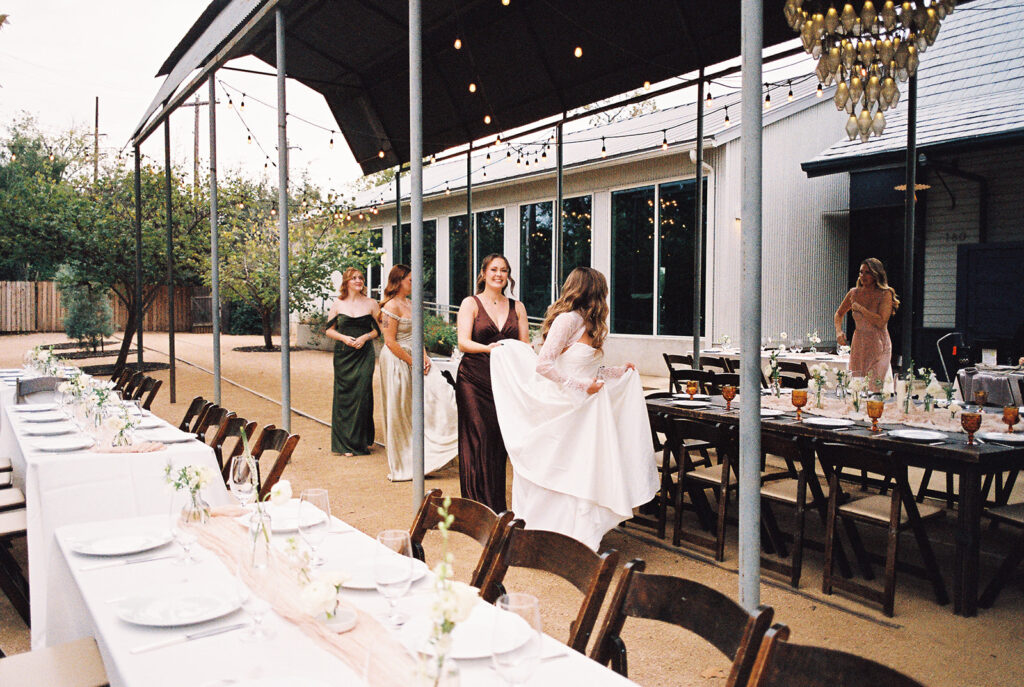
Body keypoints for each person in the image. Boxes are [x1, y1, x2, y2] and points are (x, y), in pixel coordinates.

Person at [489, 267, 658, 550]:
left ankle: (578, 538)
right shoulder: (566, 320)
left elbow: (589, 369)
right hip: (561, 409)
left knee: (583, 473)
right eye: (602, 289)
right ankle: (545, 538)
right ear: (592, 290)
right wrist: (581, 386)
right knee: (559, 471)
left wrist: (618, 371)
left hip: (584, 412)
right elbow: (544, 365)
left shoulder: (590, 323)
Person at [455, 254, 530, 513]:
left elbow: (524, 346)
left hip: (505, 383)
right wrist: (489, 349)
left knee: (499, 440)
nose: (499, 274)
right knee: (478, 436)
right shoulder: (471, 303)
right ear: (484, 273)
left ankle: (496, 506)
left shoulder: (517, 307)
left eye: (504, 270)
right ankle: (476, 506)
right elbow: (463, 342)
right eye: (494, 269)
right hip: (473, 379)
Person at [377, 264, 458, 481]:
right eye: (410, 280)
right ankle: (404, 463)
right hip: (396, 359)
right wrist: (412, 361)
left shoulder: (412, 303)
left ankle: (430, 454)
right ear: (398, 281)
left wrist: (424, 356)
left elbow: (417, 335)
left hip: (415, 355)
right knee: (401, 408)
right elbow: (389, 341)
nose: (414, 284)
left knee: (443, 395)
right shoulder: (390, 306)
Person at [324, 268, 380, 456]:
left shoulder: (372, 303)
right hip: (344, 355)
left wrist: (365, 337)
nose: (358, 281)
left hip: (364, 354)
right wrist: (344, 338)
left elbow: (379, 330)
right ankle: (345, 445)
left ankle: (361, 441)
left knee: (363, 394)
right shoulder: (337, 304)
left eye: (361, 278)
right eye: (354, 278)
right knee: (344, 397)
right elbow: (329, 330)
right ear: (346, 282)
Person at [834, 257, 900, 391]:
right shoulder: (853, 293)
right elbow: (839, 314)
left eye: (867, 272)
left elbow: (881, 322)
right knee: (857, 385)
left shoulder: (885, 293)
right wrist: (838, 331)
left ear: (876, 274)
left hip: (878, 343)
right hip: (859, 343)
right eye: (861, 272)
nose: (863, 276)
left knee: (875, 386)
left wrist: (861, 309)